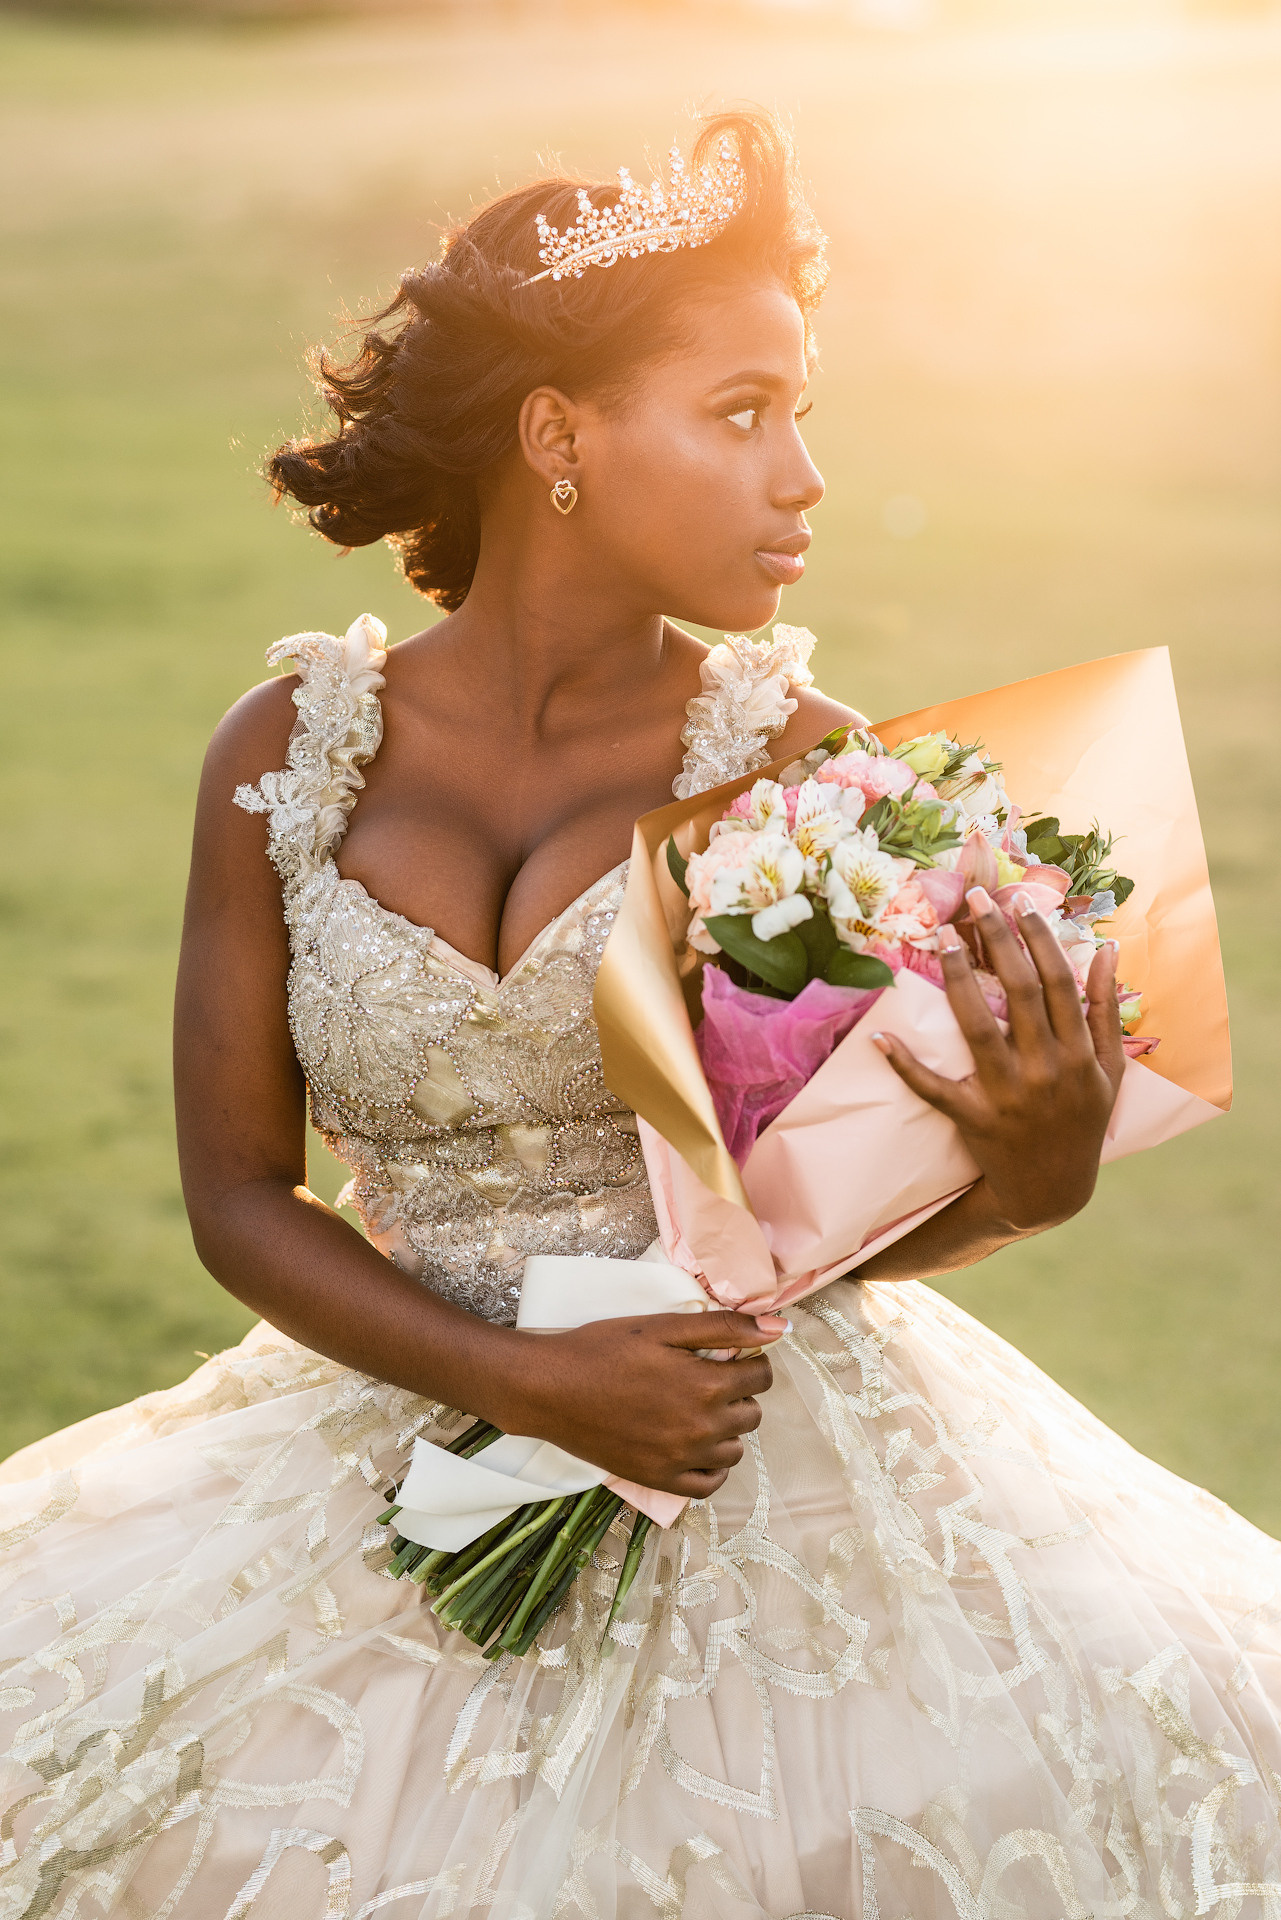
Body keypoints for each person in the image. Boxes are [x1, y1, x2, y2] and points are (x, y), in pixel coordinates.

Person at [0, 109, 1277, 1920]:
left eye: (802, 412)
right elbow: (237, 1197)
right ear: (560, 437)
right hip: (389, 1407)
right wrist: (517, 1379)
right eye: (743, 412)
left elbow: (844, 1210)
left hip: (751, 1446)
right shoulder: (286, 756)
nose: (805, 476)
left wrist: (1037, 1170)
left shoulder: (811, 782)